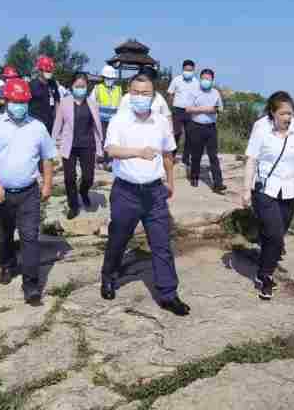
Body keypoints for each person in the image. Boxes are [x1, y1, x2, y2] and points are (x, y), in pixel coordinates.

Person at [100, 73, 190, 316]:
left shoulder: (161, 122)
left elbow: (169, 153)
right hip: (126, 192)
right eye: (136, 92)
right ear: (129, 94)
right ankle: (108, 277)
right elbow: (111, 150)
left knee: (161, 245)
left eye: (146, 93)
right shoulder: (120, 120)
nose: (140, 97)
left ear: (154, 95)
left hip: (154, 192)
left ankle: (168, 294)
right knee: (118, 239)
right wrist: (138, 152)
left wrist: (170, 182)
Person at [0, 78, 56, 305]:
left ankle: (31, 285)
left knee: (30, 237)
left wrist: (47, 183)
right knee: (4, 235)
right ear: (6, 101)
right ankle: (7, 265)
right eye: (15, 101)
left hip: (29, 192)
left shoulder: (37, 127)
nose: (19, 105)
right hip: (1, 192)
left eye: (23, 101)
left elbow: (47, 157)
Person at [242, 91, 294, 300]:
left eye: (291, 114)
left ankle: (265, 255)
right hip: (265, 191)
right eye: (284, 113)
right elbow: (251, 160)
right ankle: (264, 277)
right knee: (275, 236)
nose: (288, 117)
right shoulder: (261, 129)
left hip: (288, 192)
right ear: (273, 112)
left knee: (275, 236)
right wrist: (245, 190)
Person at [52, 72, 104, 219]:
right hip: (70, 145)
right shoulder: (65, 102)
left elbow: (97, 126)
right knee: (69, 178)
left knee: (88, 177)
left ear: (87, 87)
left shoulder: (92, 104)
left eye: (83, 86)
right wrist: (52, 141)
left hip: (88, 145)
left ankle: (84, 191)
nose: (80, 89)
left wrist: (101, 143)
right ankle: (73, 205)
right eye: (77, 86)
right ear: (72, 86)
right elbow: (58, 123)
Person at [185, 69, 226, 193]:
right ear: (200, 78)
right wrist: (208, 109)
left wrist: (201, 109)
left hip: (211, 128)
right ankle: (194, 177)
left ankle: (218, 183)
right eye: (203, 78)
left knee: (213, 156)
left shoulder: (216, 93)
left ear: (212, 80)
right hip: (196, 126)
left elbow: (219, 109)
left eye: (208, 79)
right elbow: (188, 109)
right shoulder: (193, 92)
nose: (205, 81)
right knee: (196, 155)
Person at [167, 59, 198, 165]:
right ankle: (172, 156)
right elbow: (170, 93)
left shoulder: (196, 82)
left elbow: (198, 98)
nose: (188, 72)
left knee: (190, 135)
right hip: (177, 110)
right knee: (176, 134)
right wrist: (171, 108)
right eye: (186, 70)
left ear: (194, 70)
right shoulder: (176, 80)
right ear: (182, 69)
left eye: (190, 70)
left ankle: (186, 158)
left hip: (190, 111)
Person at [94, 65, 123, 167]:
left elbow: (121, 105)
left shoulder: (118, 89)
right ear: (104, 78)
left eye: (111, 78)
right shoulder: (97, 88)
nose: (109, 80)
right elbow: (92, 103)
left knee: (112, 140)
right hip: (101, 119)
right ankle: (101, 160)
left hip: (114, 121)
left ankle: (110, 160)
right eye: (107, 78)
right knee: (102, 139)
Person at [29, 55, 60, 134]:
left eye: (50, 71)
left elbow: (57, 101)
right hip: (35, 123)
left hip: (50, 123)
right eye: (46, 71)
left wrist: (58, 120)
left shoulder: (53, 84)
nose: (48, 73)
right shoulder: (31, 85)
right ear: (40, 71)